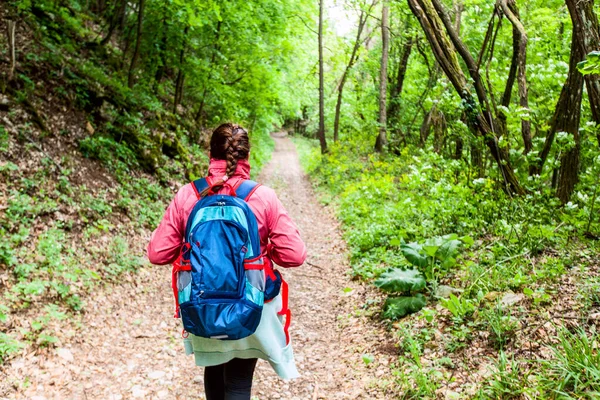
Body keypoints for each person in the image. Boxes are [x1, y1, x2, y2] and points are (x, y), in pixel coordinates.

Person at [147, 123, 307, 400]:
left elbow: (157, 253)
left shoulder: (189, 195)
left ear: (210, 154)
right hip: (250, 306)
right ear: (247, 156)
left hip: (200, 306)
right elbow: (294, 255)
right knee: (239, 380)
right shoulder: (263, 197)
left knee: (213, 369)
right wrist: (262, 251)